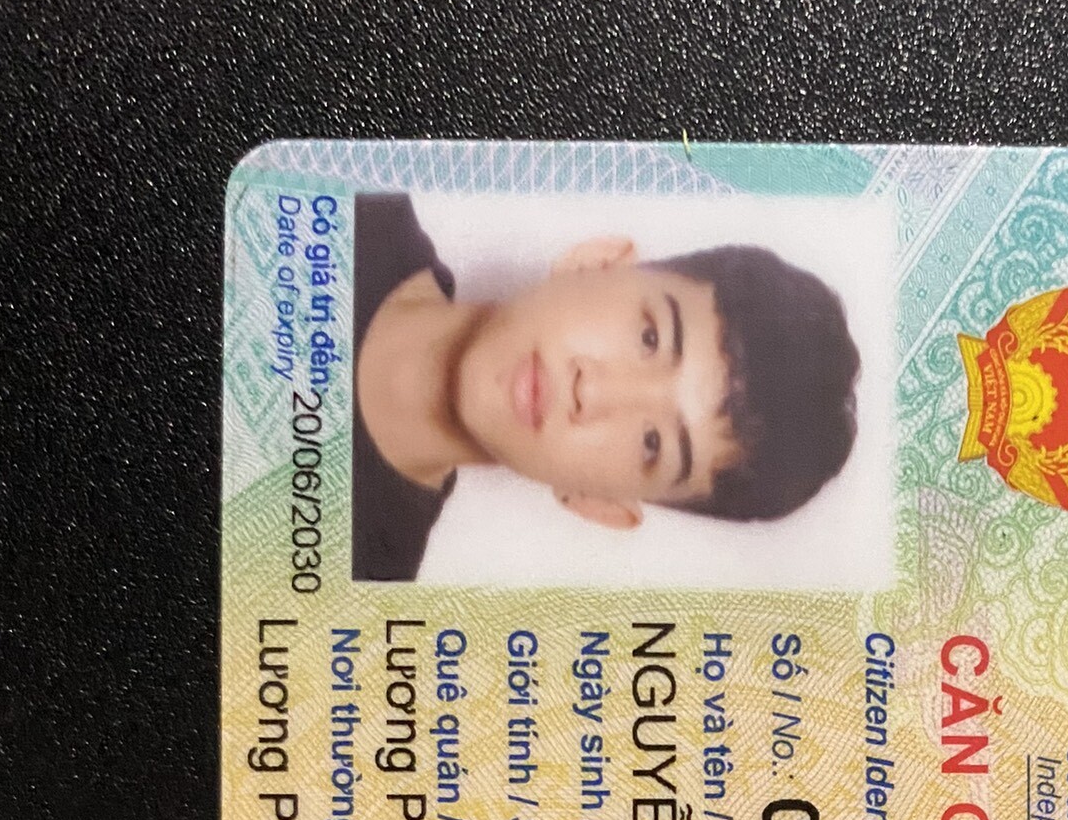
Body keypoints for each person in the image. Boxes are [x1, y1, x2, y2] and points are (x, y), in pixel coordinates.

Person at [349, 194, 862, 580]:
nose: (592, 393)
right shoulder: (344, 186)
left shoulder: (353, 598)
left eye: (651, 443)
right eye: (649, 337)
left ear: (599, 504)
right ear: (596, 262)